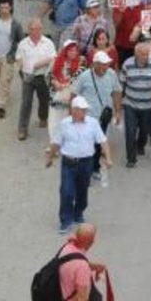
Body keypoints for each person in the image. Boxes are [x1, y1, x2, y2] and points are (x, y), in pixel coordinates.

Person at [46, 96, 111, 232]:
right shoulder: (64, 124)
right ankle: (65, 220)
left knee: (82, 191)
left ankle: (78, 213)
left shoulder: (93, 123)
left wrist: (108, 157)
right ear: (73, 110)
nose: (83, 112)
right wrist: (50, 157)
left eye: (84, 109)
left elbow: (102, 141)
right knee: (66, 192)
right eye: (81, 109)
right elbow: (56, 143)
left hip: (86, 163)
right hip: (68, 163)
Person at [119, 41, 151, 167]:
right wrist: (118, 105)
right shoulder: (127, 64)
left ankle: (140, 145)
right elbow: (121, 85)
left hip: (148, 105)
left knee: (144, 131)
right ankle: (131, 159)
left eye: (147, 54)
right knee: (130, 131)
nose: (145, 57)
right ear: (136, 54)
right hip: (130, 104)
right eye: (142, 54)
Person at [15, 19, 57, 140]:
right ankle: (22, 129)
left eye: (38, 29)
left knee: (44, 100)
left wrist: (44, 63)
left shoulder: (48, 43)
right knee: (26, 103)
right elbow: (18, 58)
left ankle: (43, 117)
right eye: (33, 29)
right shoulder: (23, 43)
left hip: (43, 76)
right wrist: (23, 67)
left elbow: (54, 57)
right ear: (29, 30)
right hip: (28, 76)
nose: (36, 32)